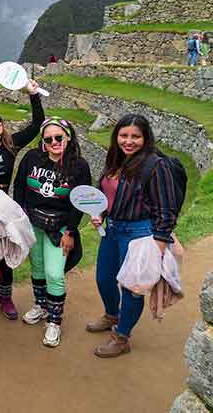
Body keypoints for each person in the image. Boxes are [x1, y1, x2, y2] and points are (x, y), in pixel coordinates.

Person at [86, 114, 180, 357]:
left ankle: (122, 336)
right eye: (123, 135)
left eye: (135, 136)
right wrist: (101, 212)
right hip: (114, 229)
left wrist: (158, 246)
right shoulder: (116, 159)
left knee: (132, 287)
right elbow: (108, 193)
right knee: (104, 278)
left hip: (139, 233)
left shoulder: (156, 165)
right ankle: (111, 314)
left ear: (145, 138)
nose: (128, 141)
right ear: (116, 136)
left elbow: (167, 209)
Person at [14, 117, 91, 348]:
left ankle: (54, 321)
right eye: (49, 139)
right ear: (43, 141)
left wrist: (70, 231)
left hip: (60, 227)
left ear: (68, 137)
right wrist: (21, 220)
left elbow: (79, 202)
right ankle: (41, 305)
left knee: (54, 273)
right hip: (33, 222)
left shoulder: (79, 166)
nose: (54, 142)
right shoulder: (31, 158)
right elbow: (19, 188)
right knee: (37, 266)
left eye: (59, 137)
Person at [0, 79, 44, 320]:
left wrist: (34, 95)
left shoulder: (11, 144)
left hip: (3, 203)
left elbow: (36, 125)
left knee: (5, 252)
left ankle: (5, 297)